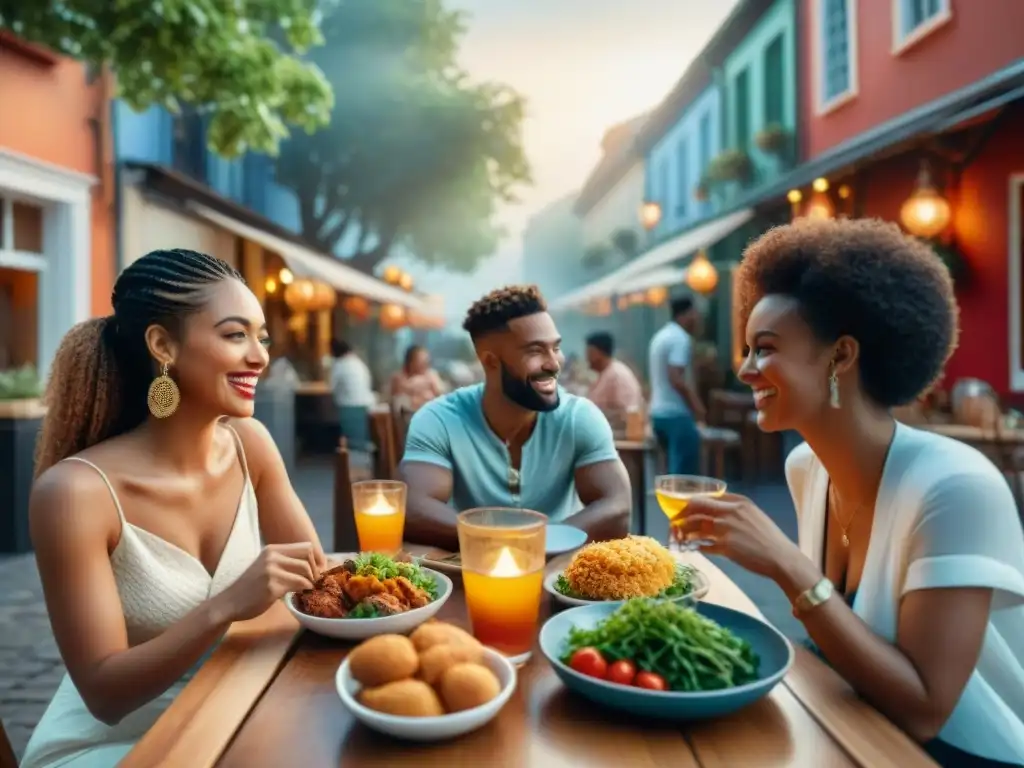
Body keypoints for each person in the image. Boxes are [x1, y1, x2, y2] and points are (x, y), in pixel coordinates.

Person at [676, 219, 1024, 767]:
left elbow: (926, 710)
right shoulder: (806, 468)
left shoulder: (957, 488)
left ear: (841, 356)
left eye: (763, 349)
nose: (744, 370)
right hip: (853, 732)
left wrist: (787, 566)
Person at [21, 249, 326, 768]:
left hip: (230, 715)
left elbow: (317, 587)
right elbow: (104, 693)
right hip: (113, 747)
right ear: (163, 344)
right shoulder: (74, 494)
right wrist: (227, 605)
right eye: (236, 335)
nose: (259, 356)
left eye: (262, 337)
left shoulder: (251, 444)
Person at [399, 285, 631, 551]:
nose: (554, 363)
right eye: (535, 351)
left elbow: (618, 509)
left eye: (555, 347)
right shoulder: (437, 419)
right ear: (491, 361)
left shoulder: (580, 416)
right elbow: (411, 509)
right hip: (472, 576)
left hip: (561, 577)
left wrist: (533, 544)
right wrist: (510, 542)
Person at [647, 295, 706, 474]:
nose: (697, 318)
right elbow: (676, 378)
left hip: (657, 414)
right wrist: (698, 407)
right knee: (683, 476)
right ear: (685, 314)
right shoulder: (680, 338)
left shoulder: (661, 336)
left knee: (670, 472)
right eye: (694, 313)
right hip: (676, 415)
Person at [327, 338, 376, 451]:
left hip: (348, 406)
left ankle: (350, 466)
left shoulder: (340, 364)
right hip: (364, 405)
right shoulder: (358, 363)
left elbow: (331, 386)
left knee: (351, 443)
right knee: (360, 441)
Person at [584, 331, 644, 414]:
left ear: (596, 353)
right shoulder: (606, 373)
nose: (587, 359)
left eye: (589, 353)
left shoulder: (617, 375)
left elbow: (626, 413)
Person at [389, 344, 444, 412]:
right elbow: (400, 400)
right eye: (421, 360)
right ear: (411, 362)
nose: (425, 363)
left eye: (426, 360)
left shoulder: (432, 375)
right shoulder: (399, 378)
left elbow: (440, 394)